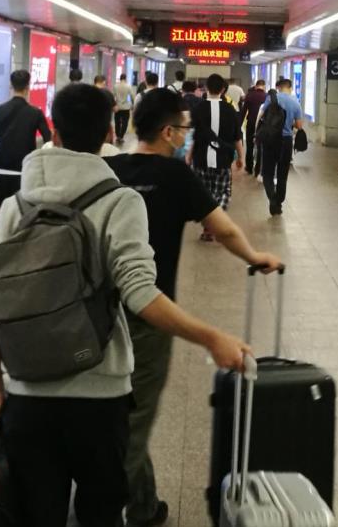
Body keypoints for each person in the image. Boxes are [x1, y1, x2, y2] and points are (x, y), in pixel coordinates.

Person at [0, 84, 250, 526]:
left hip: (28, 393)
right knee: (101, 513)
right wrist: (211, 336)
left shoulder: (15, 205)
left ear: (53, 132)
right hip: (99, 396)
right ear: (108, 132)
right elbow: (141, 294)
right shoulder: (120, 201)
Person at [106, 89, 281, 527]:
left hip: (97, 316)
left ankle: (144, 506)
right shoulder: (175, 176)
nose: (187, 136)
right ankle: (104, 506)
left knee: (111, 413)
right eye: (183, 129)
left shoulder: (110, 169)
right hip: (150, 315)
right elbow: (223, 229)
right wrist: (255, 256)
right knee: (135, 418)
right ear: (168, 132)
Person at [0, 70, 52, 210]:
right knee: (22, 211)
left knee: (1, 210)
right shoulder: (35, 113)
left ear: (11, 85)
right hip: (23, 169)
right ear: (27, 87)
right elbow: (48, 140)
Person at [189, 74, 243, 241]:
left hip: (200, 159)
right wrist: (241, 157)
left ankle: (208, 225)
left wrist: (188, 155)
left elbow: (192, 136)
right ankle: (214, 224)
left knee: (204, 194)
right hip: (223, 159)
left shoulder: (198, 109)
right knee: (223, 192)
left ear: (206, 88)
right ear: (223, 89)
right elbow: (237, 137)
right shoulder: (230, 110)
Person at [257, 78, 304, 216]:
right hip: (286, 140)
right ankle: (279, 202)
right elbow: (299, 126)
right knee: (282, 174)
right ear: (290, 88)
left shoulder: (271, 98)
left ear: (279, 87)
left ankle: (272, 198)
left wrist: (257, 133)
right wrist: (289, 123)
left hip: (270, 139)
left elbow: (261, 115)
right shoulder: (295, 102)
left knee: (268, 172)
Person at [240, 79, 268, 175]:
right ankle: (258, 169)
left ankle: (249, 167)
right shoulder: (267, 96)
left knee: (249, 145)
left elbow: (243, 111)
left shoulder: (250, 95)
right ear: (264, 86)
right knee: (260, 147)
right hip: (262, 125)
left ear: (256, 86)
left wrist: (239, 125)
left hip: (251, 123)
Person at [113, 73, 134, 143]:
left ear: (120, 78)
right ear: (125, 78)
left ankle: (117, 136)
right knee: (125, 122)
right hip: (126, 107)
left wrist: (114, 105)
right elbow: (132, 96)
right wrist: (133, 104)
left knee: (117, 122)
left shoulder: (115, 86)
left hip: (117, 107)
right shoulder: (128, 86)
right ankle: (121, 136)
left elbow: (113, 96)